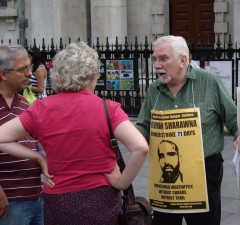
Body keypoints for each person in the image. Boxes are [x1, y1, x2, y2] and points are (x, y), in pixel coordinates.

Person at [0, 41, 149, 225]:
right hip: (101, 199)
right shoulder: (108, 108)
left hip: (58, 200)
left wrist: (38, 157)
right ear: (90, 76)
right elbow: (141, 147)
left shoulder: (41, 109)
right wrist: (122, 183)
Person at [136, 35, 240, 225]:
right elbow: (143, 125)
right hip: (165, 176)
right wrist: (129, 140)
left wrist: (239, 135)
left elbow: (233, 117)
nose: (157, 65)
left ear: (183, 60)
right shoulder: (153, 90)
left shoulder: (209, 82)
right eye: (155, 59)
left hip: (204, 171)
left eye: (163, 59)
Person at [0, 44, 50, 225]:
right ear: (4, 74)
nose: (30, 73)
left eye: (29, 67)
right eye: (23, 69)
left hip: (37, 196)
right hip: (9, 201)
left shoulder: (24, 103)